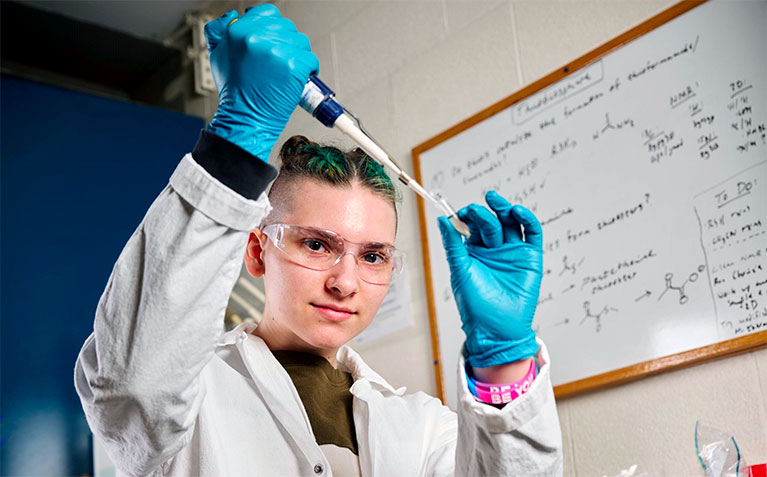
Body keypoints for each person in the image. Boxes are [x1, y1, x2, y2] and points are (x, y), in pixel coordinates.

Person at [75, 5, 562, 476]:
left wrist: (505, 360)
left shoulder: (423, 427)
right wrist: (235, 146)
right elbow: (133, 390)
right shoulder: (193, 391)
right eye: (316, 245)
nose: (345, 282)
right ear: (257, 251)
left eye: (373, 255)